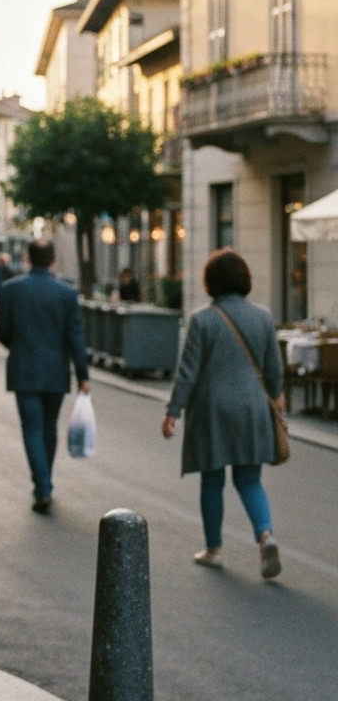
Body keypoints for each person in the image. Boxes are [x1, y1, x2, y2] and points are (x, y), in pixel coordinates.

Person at [163, 248, 284, 579]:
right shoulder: (263, 317)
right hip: (253, 407)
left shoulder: (203, 320)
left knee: (212, 479)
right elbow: (274, 369)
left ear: (210, 282)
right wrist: (277, 395)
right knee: (249, 480)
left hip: (212, 410)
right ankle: (265, 535)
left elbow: (188, 372)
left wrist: (173, 412)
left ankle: (213, 549)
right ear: (245, 279)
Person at [0, 239, 89, 513]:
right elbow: (75, 337)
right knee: (49, 427)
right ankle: (45, 481)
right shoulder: (66, 294)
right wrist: (82, 375)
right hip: (56, 371)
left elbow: (1, 330)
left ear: (27, 258)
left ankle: (42, 486)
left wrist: (18, 346)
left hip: (24, 370)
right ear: (52, 261)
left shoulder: (12, 290)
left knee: (32, 429)